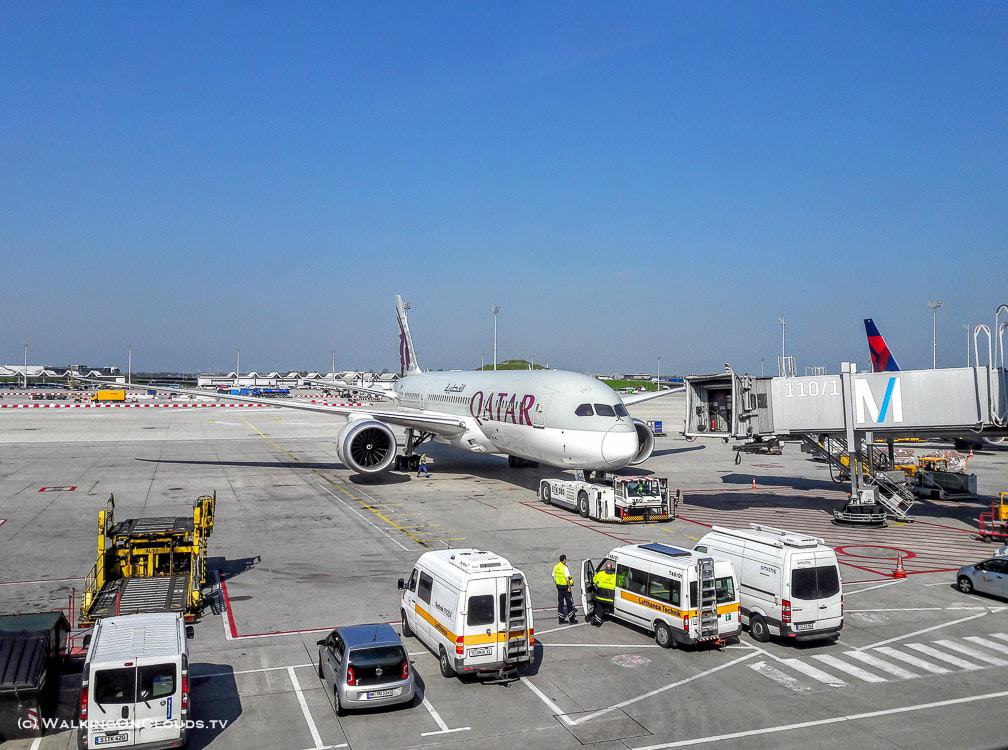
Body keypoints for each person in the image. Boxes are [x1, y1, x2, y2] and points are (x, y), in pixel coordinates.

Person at [552, 554, 576, 624]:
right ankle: (572, 620)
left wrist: (557, 583)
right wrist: (569, 587)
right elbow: (567, 578)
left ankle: (561, 620)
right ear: (564, 560)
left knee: (560, 603)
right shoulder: (565, 568)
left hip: (559, 587)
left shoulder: (556, 567)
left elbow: (553, 576)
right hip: (565, 587)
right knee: (569, 603)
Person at [591, 560, 616, 626]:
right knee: (604, 608)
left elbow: (593, 580)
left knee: (599, 608)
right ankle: (600, 618)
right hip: (609, 598)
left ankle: (597, 621)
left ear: (605, 568)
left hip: (600, 596)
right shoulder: (615, 576)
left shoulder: (601, 574)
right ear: (611, 568)